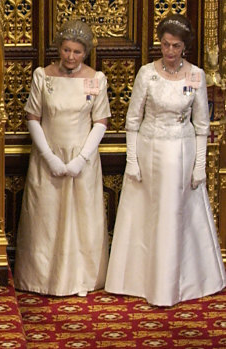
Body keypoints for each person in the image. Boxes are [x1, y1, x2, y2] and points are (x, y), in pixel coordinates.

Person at [105, 14, 226, 306]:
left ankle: (173, 284)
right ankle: (139, 280)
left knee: (175, 216)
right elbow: (132, 120)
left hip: (181, 153)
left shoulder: (196, 75)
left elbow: (201, 125)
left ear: (185, 47)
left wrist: (199, 165)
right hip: (149, 151)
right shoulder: (146, 73)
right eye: (165, 45)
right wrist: (132, 160)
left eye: (175, 46)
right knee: (146, 215)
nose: (169, 51)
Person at [14, 20, 111, 296]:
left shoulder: (96, 79)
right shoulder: (43, 76)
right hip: (48, 159)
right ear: (59, 48)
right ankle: (42, 279)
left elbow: (101, 121)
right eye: (66, 50)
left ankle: (82, 279)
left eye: (77, 52)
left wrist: (81, 158)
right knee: (46, 220)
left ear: (86, 52)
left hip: (82, 161)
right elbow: (33, 116)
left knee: (81, 221)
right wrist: (49, 156)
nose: (70, 57)